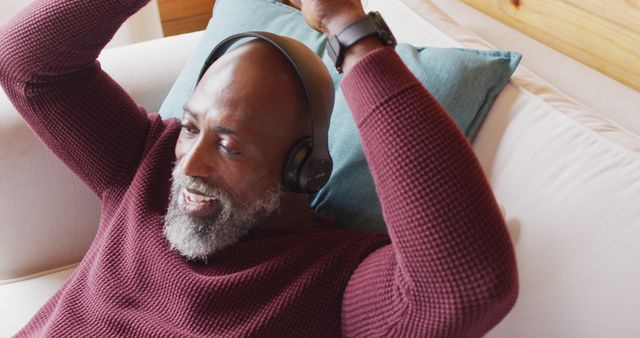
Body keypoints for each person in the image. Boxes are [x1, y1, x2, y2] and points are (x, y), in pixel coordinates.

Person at [0, 0, 518, 336]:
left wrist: (347, 27)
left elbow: (466, 286)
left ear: (303, 169)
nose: (190, 165)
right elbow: (25, 62)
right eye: (191, 126)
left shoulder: (332, 281)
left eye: (230, 145)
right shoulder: (147, 161)